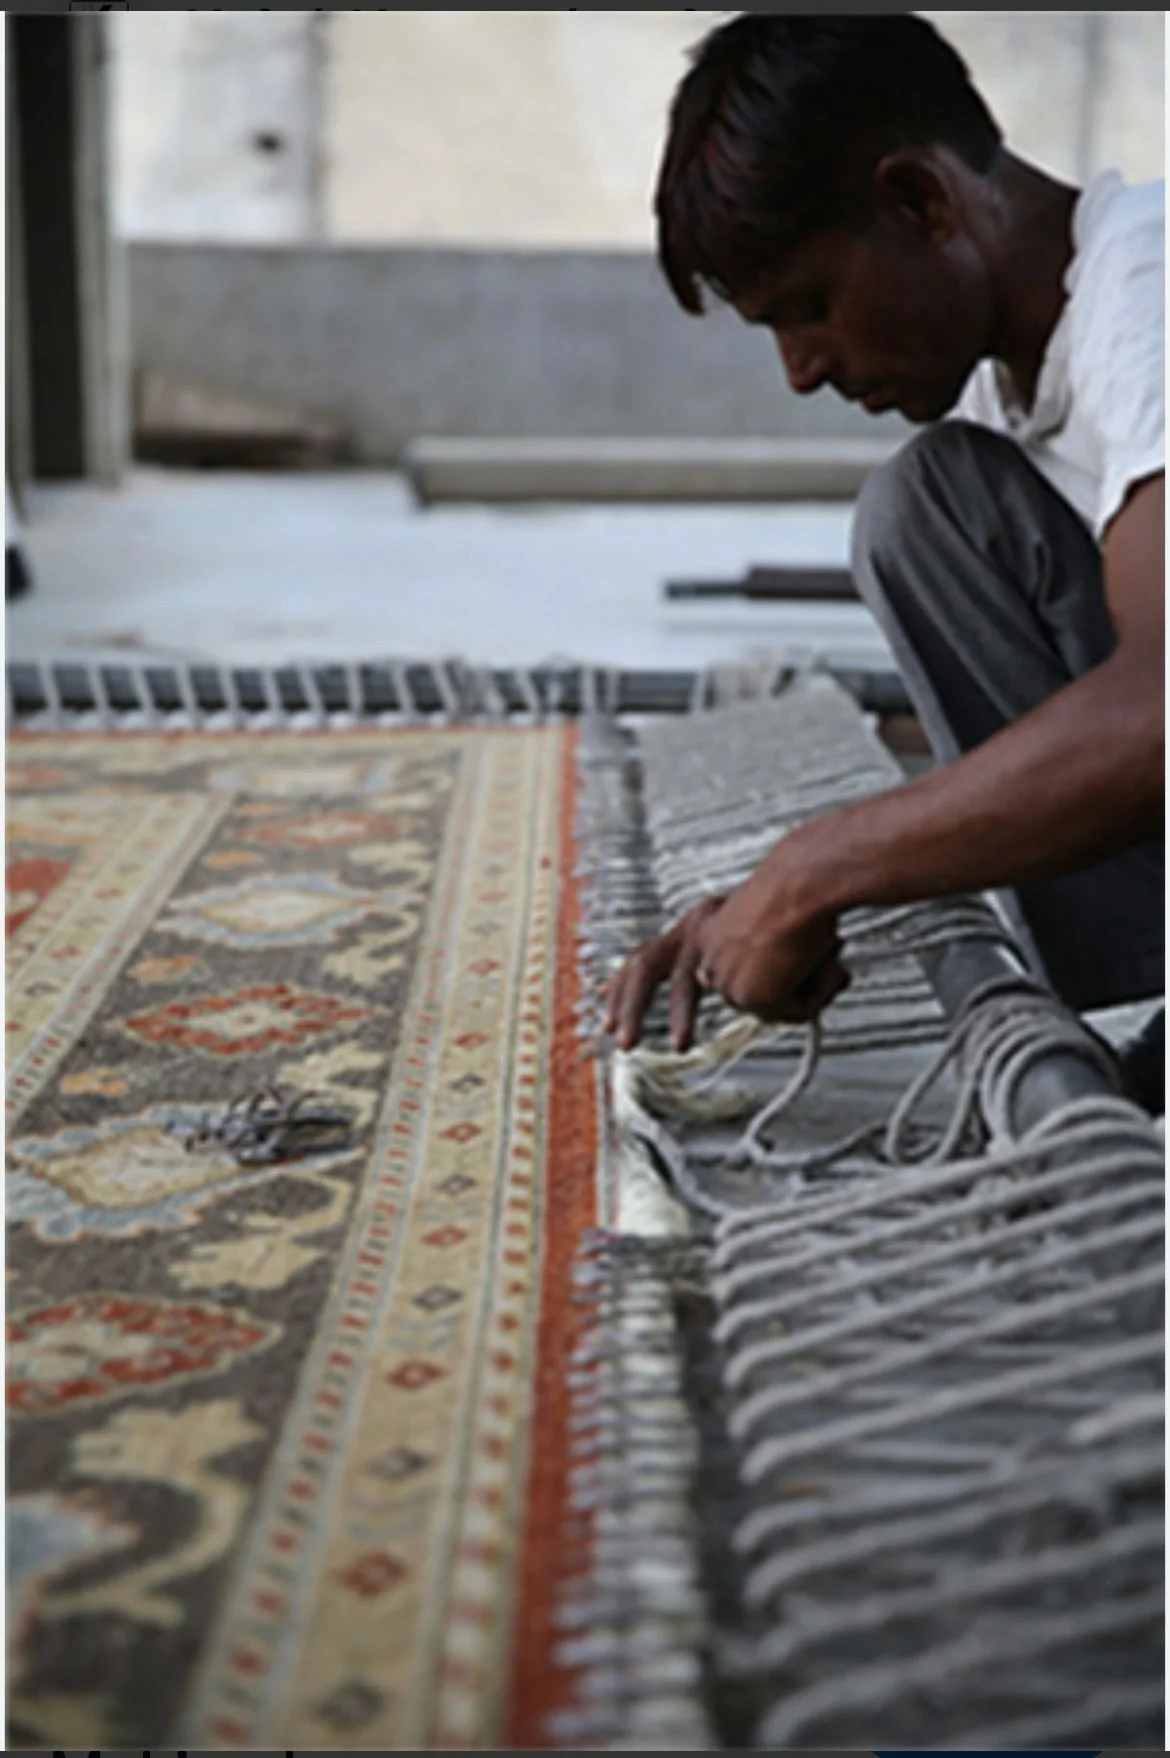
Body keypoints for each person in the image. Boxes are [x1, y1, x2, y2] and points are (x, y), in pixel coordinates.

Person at [602, 13, 1165, 1112]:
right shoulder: (1015, 396)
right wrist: (762, 903)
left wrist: (824, 866)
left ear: (922, 202)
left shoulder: (1147, 296)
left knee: (924, 505)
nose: (802, 370)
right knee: (929, 507)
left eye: (808, 308)